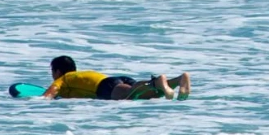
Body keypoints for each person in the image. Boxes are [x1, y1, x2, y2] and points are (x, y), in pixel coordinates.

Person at [41, 56, 190, 100]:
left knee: (131, 94)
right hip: (114, 80)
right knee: (154, 94)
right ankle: (178, 80)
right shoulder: (77, 75)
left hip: (105, 86)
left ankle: (158, 80)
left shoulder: (63, 79)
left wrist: (38, 101)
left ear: (58, 71)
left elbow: (48, 95)